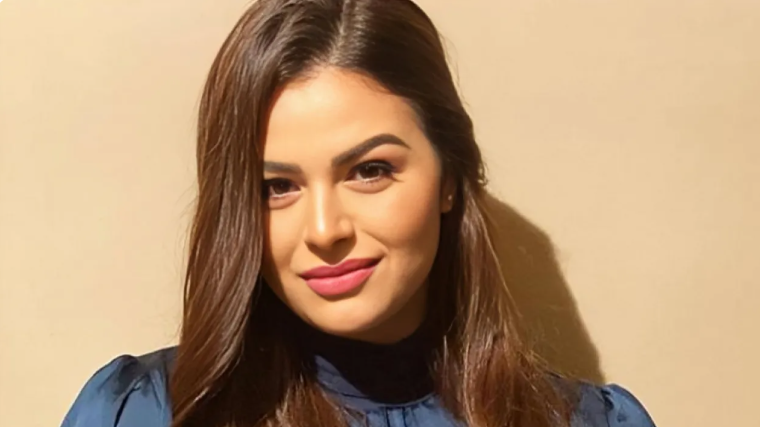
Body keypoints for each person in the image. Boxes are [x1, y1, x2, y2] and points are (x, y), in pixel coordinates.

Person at [61, 1, 657, 426]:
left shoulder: (589, 421)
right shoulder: (139, 413)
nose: (325, 230)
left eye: (369, 170)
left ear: (450, 178)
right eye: (276, 187)